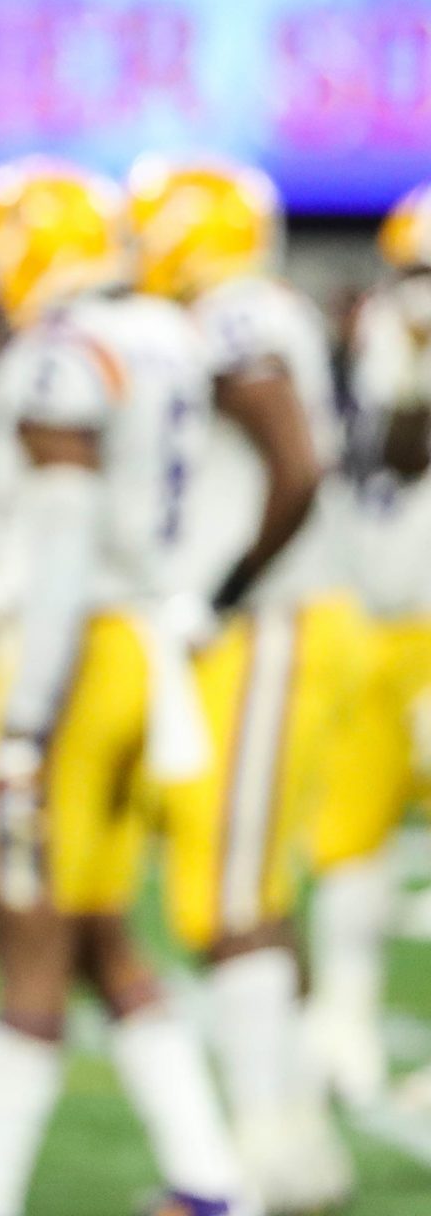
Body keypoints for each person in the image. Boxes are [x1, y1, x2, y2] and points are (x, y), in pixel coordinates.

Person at [0, 159, 249, 1216]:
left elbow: (64, 548)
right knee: (103, 927)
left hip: (67, 662)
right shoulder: (166, 333)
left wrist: (25, 717)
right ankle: (211, 1178)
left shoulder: (68, 353)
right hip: (138, 648)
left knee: (26, 936)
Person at [127, 156, 354, 1210]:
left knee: (231, 896)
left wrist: (216, 591)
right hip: (268, 627)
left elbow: (293, 461)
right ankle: (295, 1133)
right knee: (242, 885)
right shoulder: (248, 308)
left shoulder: (238, 313)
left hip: (264, 628)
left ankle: (267, 1146)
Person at [307, 180, 431, 1111]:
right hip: (374, 612)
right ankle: (343, 1025)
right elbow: (392, 449)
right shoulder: (388, 331)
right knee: (350, 839)